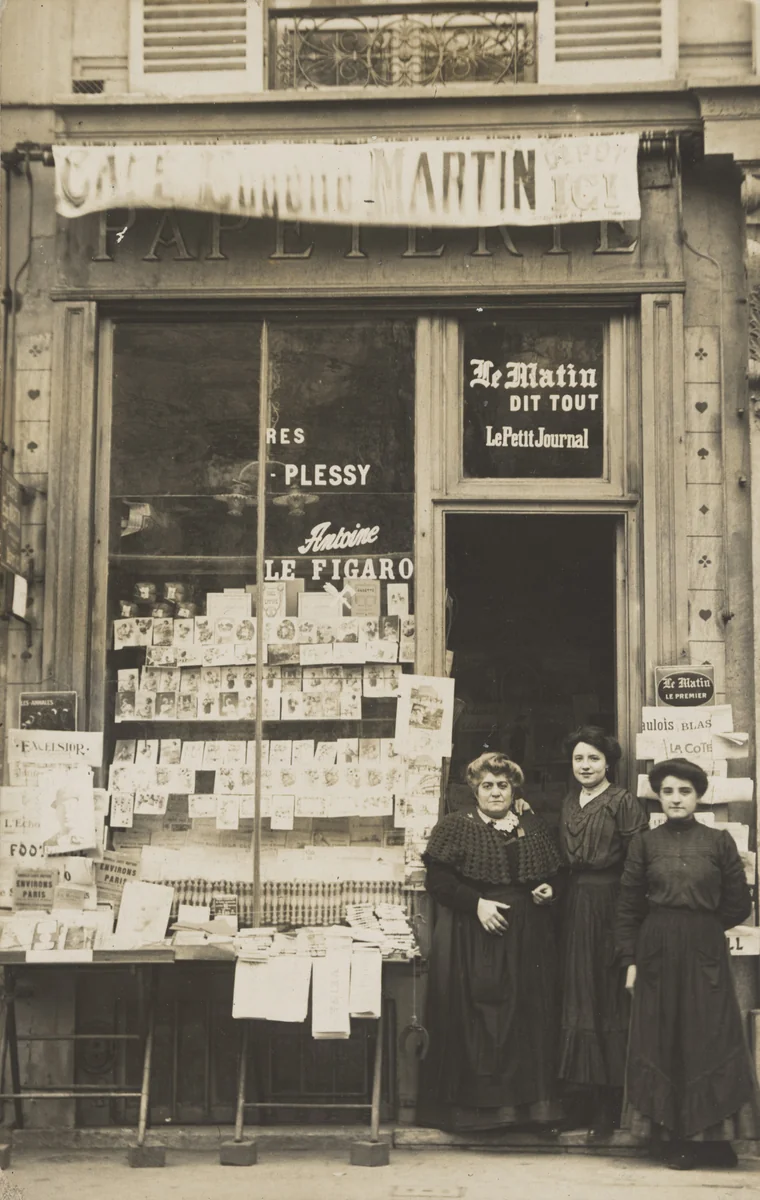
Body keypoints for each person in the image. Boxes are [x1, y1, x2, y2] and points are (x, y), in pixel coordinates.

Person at [616, 758, 757, 1170]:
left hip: (704, 950)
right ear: (658, 797)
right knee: (664, 1039)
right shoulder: (644, 844)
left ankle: (713, 1139)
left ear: (698, 797)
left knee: (710, 1038)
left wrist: (701, 926)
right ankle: (675, 1139)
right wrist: (631, 961)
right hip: (656, 949)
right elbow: (628, 908)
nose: (676, 799)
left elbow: (739, 902)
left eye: (684, 792)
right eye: (668, 792)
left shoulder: (719, 842)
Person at [416, 752, 561, 1133]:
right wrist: (476, 904)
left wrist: (549, 889)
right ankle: (481, 1114)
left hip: (526, 939)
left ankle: (528, 1112)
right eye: (487, 786)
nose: (496, 792)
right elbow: (439, 882)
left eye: (503, 785)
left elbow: (554, 873)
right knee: (481, 1019)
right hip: (473, 936)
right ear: (474, 790)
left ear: (514, 790)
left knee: (525, 1020)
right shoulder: (454, 826)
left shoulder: (532, 825)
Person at [557, 725, 648, 1136]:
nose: (585, 765)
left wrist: (627, 914)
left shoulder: (622, 801)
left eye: (593, 758)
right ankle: (581, 1101)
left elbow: (638, 860)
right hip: (575, 903)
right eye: (579, 758)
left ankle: (611, 1108)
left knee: (606, 996)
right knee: (578, 995)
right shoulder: (569, 801)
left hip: (612, 903)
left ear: (608, 763)